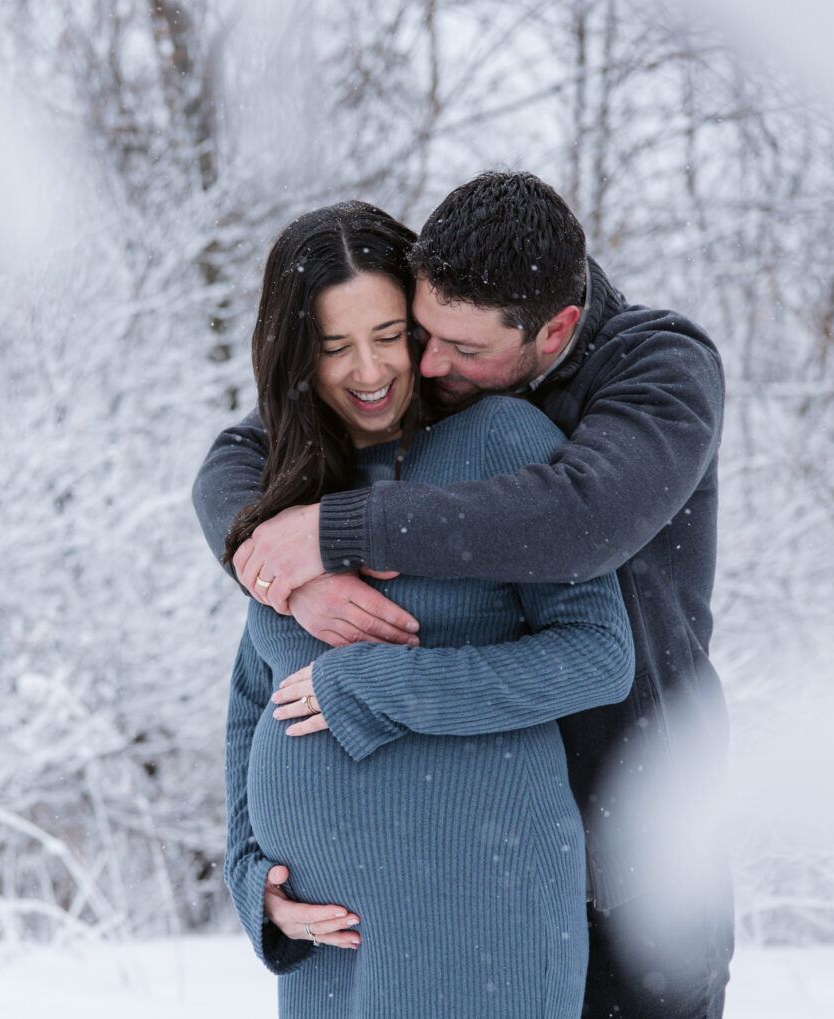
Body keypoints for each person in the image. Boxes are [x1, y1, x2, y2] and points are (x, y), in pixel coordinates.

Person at [195, 172, 733, 1018]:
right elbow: (235, 464)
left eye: (434, 344)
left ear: (552, 329)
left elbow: (578, 520)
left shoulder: (654, 371)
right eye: (422, 332)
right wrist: (275, 561)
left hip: (628, 841)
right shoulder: (382, 416)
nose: (426, 365)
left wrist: (336, 538)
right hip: (347, 948)